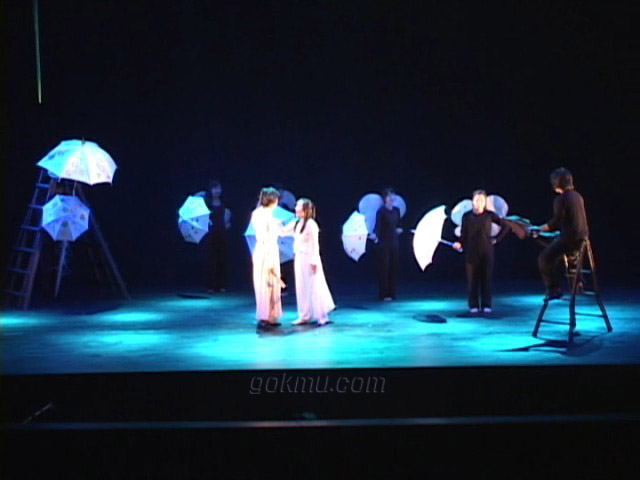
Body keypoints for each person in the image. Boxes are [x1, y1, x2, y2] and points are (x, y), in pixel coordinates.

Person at [532, 168, 589, 300]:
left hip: (570, 240)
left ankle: (554, 289)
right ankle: (578, 281)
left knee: (544, 259)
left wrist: (540, 229)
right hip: (581, 238)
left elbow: (556, 223)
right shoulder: (577, 196)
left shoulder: (561, 199)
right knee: (550, 241)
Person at [452, 190, 511, 314]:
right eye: (477, 200)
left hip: (486, 252)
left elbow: (506, 226)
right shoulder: (467, 216)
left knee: (486, 279)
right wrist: (459, 243)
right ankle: (473, 305)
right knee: (472, 281)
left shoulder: (489, 215)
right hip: (471, 253)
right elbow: (463, 235)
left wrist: (497, 239)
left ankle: (486, 304)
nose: (479, 203)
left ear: (485, 203)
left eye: (482, 201)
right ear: (472, 201)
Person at [286, 198, 335, 326]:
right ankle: (304, 315)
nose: (296, 208)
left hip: (310, 258)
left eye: (298, 206)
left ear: (305, 209)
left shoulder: (311, 224)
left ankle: (321, 316)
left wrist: (314, 260)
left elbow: (315, 244)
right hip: (299, 258)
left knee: (314, 286)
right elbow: (283, 232)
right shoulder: (296, 223)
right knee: (301, 286)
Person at [250, 187, 284, 327]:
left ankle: (271, 316)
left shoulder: (261, 213)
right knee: (266, 284)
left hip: (267, 249)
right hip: (266, 250)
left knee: (271, 284)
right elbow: (266, 236)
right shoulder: (265, 215)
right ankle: (265, 316)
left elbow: (279, 232)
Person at [369, 189, 403, 301]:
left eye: (392, 196)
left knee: (394, 268)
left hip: (394, 243)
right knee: (384, 268)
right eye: (389, 196)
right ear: (385, 199)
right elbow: (377, 226)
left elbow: (398, 224)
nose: (391, 198)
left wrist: (399, 229)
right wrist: (375, 235)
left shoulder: (396, 210)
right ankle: (384, 293)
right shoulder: (381, 211)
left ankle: (392, 293)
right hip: (384, 243)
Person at [203, 180, 231, 293]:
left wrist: (228, 222)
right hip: (210, 233)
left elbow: (228, 213)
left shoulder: (224, 201)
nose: (217, 190)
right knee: (211, 259)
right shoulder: (207, 202)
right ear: (210, 190)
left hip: (222, 232)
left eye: (219, 188)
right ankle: (211, 285)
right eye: (215, 188)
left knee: (222, 259)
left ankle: (222, 285)